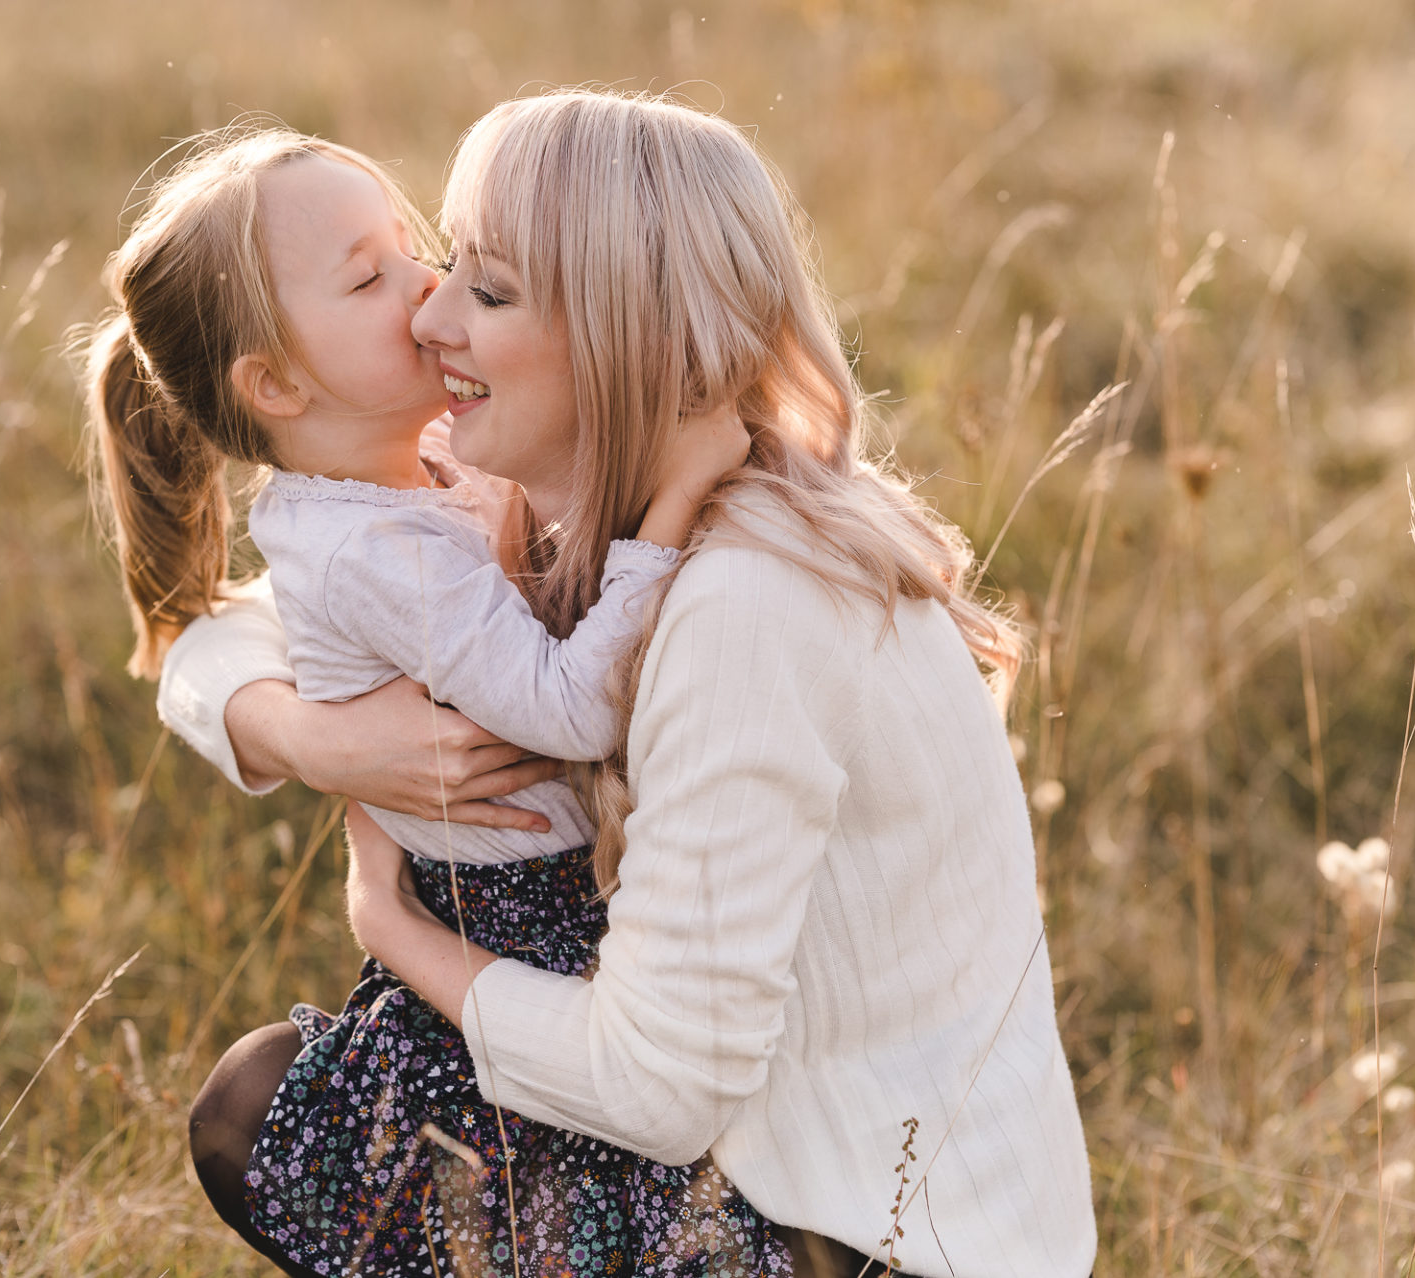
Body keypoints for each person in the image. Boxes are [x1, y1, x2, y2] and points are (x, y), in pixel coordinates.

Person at [162, 90, 1098, 1277]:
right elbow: (223, 635)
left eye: (486, 291)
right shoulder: (566, 493)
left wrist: (392, 930)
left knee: (276, 1113)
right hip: (780, 1164)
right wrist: (300, 734)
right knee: (294, 1104)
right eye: (443, 265)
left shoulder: (746, 604)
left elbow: (659, 1089)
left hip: (866, 1229)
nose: (431, 316)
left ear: (621, 336)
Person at [80, 125, 770, 1276]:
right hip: (533, 922)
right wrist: (677, 501)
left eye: (416, 251)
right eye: (371, 277)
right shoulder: (370, 547)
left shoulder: (409, 466)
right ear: (278, 383)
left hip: (536, 900)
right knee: (618, 1204)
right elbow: (569, 711)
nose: (429, 292)